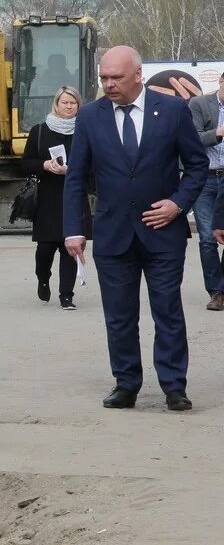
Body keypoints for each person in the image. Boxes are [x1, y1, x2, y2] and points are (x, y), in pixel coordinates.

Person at [63, 45, 207, 412]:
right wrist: (73, 230)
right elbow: (76, 178)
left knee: (168, 311)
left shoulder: (173, 111)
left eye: (116, 78)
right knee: (119, 316)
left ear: (138, 75)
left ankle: (174, 386)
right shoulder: (90, 117)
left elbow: (196, 166)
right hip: (113, 234)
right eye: (104, 78)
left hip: (163, 233)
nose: (109, 85)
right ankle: (126, 383)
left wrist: (178, 204)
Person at [21, 86, 90, 310]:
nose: (69, 106)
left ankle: (66, 296)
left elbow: (97, 164)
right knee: (44, 250)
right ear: (56, 105)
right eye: (65, 102)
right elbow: (24, 164)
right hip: (48, 198)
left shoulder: (86, 131)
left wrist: (73, 171)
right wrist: (44, 165)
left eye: (73, 103)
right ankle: (43, 277)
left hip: (74, 196)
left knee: (71, 248)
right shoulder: (40, 131)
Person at [187, 73, 224, 311]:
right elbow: (192, 139)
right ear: (221, 82)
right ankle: (217, 292)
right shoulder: (200, 104)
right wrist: (218, 133)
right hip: (207, 180)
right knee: (208, 239)